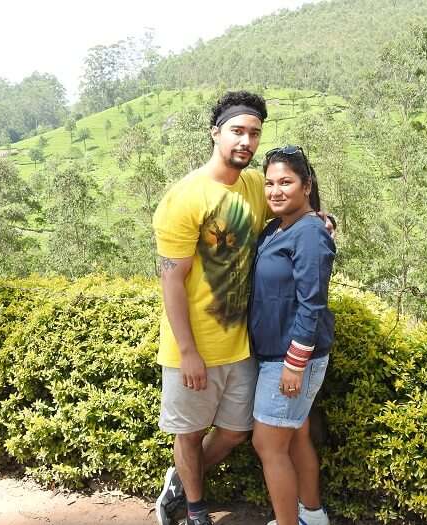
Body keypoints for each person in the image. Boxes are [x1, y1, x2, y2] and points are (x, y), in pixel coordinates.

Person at [152, 91, 270, 525]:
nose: (246, 141)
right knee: (190, 432)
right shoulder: (185, 197)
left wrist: (321, 220)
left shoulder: (255, 185)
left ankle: (180, 482)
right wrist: (188, 352)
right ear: (215, 133)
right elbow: (171, 280)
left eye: (254, 133)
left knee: (237, 432)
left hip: (239, 345)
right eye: (237, 131)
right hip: (194, 346)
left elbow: (292, 199)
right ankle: (194, 510)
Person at [250, 145, 335, 525]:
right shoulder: (277, 227)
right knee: (296, 435)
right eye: (269, 183)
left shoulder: (310, 233)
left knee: (267, 444)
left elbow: (312, 303)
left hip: (290, 357)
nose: (276, 190)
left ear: (307, 185)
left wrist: (294, 365)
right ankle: (312, 514)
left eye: (286, 182)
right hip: (276, 353)